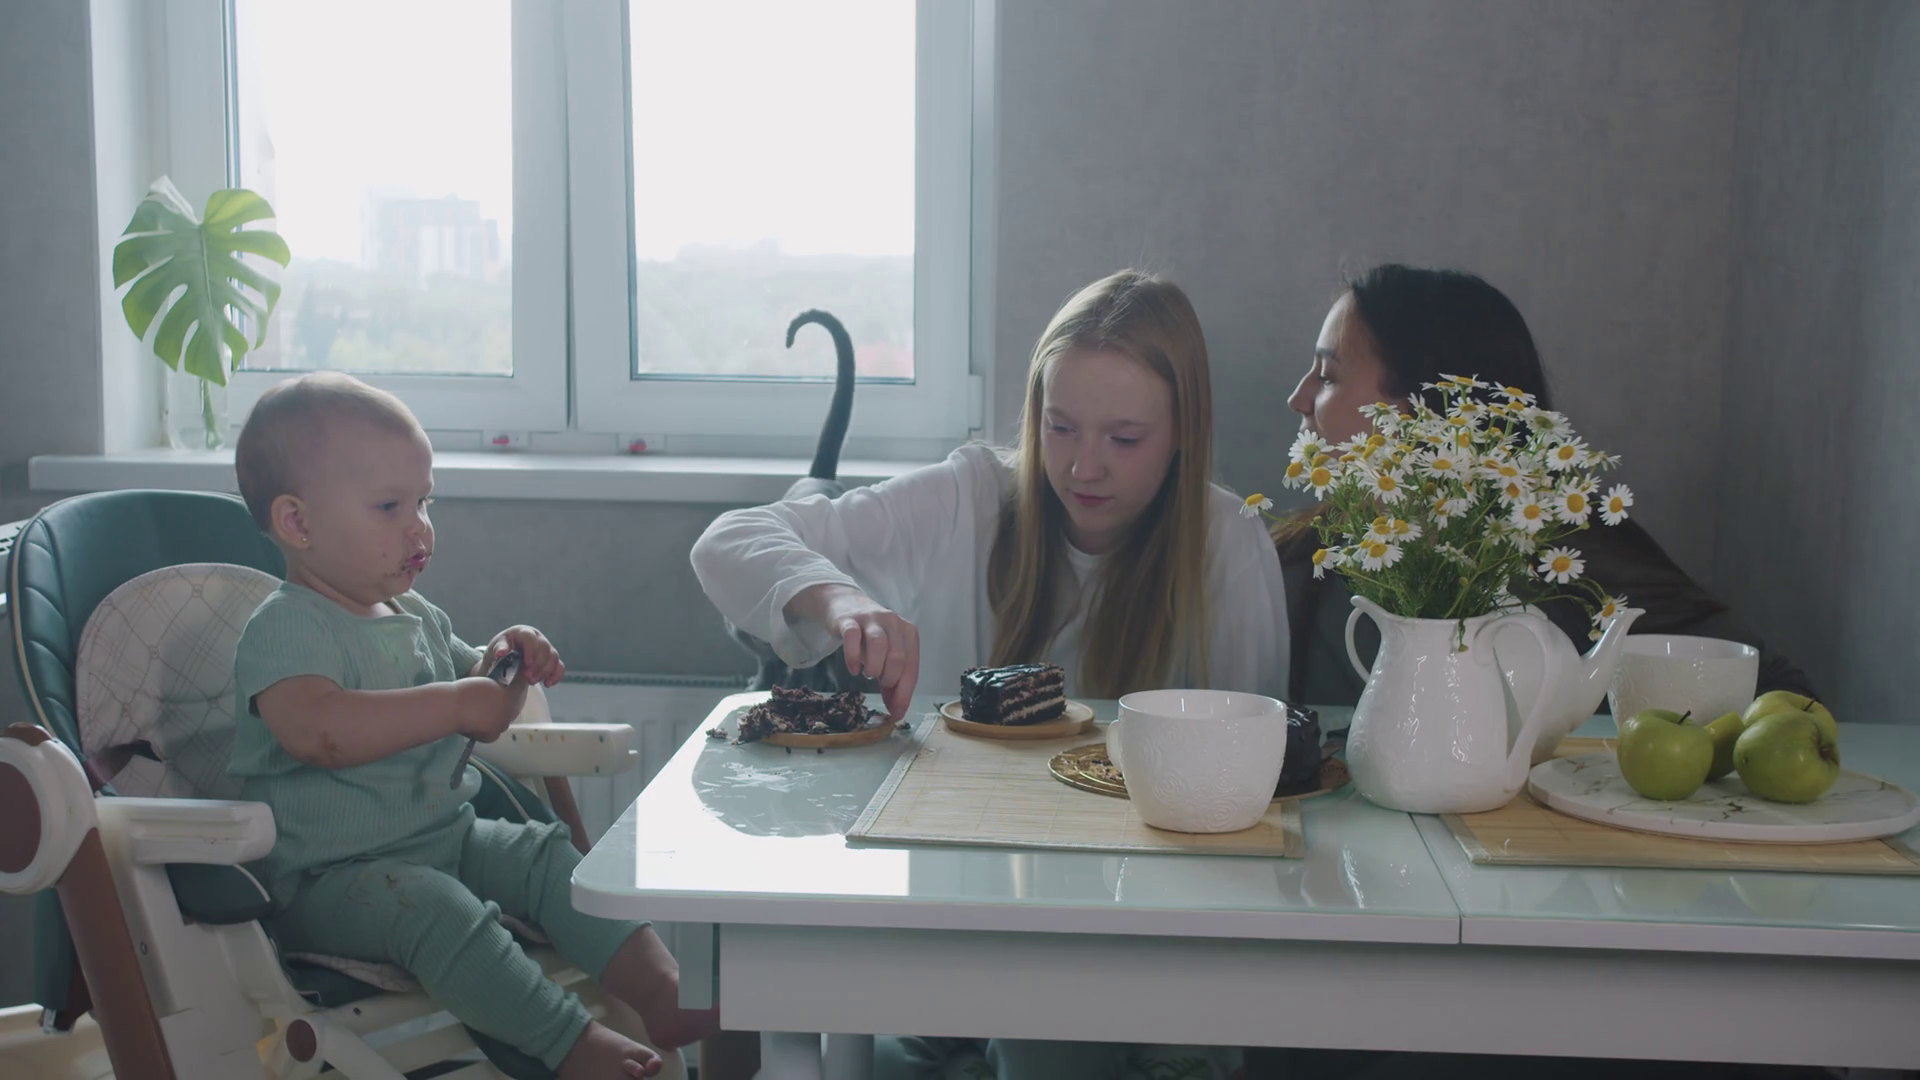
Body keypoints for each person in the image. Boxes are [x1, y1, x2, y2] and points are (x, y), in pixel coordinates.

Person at [691, 268, 1286, 1080]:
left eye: (1124, 439)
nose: (1083, 467)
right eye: (1061, 426)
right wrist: (837, 599)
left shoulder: (1228, 546)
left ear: (1184, 430)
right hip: (959, 926)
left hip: (1153, 946)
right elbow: (730, 540)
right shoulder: (972, 497)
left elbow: (1254, 788)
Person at [229, 372, 719, 1080]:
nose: (419, 525)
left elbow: (480, 693)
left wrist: (508, 659)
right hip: (329, 883)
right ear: (298, 523)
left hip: (444, 840)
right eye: (390, 505)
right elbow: (318, 731)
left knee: (548, 856)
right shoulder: (284, 629)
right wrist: (458, 701)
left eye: (425, 500)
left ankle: (663, 993)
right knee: (436, 907)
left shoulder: (416, 617)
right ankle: (569, 1045)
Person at [1272, 263, 1815, 713]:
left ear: (1428, 409)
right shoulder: (1297, 563)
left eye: (1327, 375)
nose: (1298, 398)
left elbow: (1781, 695)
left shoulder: (1561, 544)